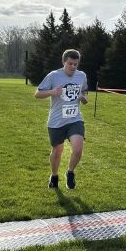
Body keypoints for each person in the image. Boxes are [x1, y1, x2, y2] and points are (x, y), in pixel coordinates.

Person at [34, 49, 89, 189]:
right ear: (64, 62)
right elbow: (37, 94)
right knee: (57, 151)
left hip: (75, 119)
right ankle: (54, 175)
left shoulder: (81, 76)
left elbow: (85, 95)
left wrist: (83, 97)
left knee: (77, 148)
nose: (73, 67)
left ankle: (70, 172)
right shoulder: (53, 76)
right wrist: (52, 92)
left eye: (75, 64)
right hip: (56, 121)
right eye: (70, 64)